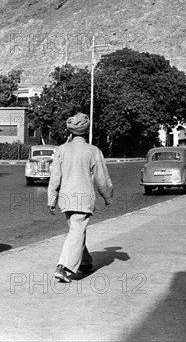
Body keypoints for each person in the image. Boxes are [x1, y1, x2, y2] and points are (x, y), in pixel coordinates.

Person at [47, 112, 113, 283]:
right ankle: (63, 266)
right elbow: (102, 178)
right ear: (86, 131)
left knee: (75, 230)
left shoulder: (61, 150)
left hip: (66, 198)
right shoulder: (93, 151)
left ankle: (85, 262)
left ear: (69, 131)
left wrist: (51, 199)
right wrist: (107, 196)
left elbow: (55, 178)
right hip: (84, 198)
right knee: (77, 230)